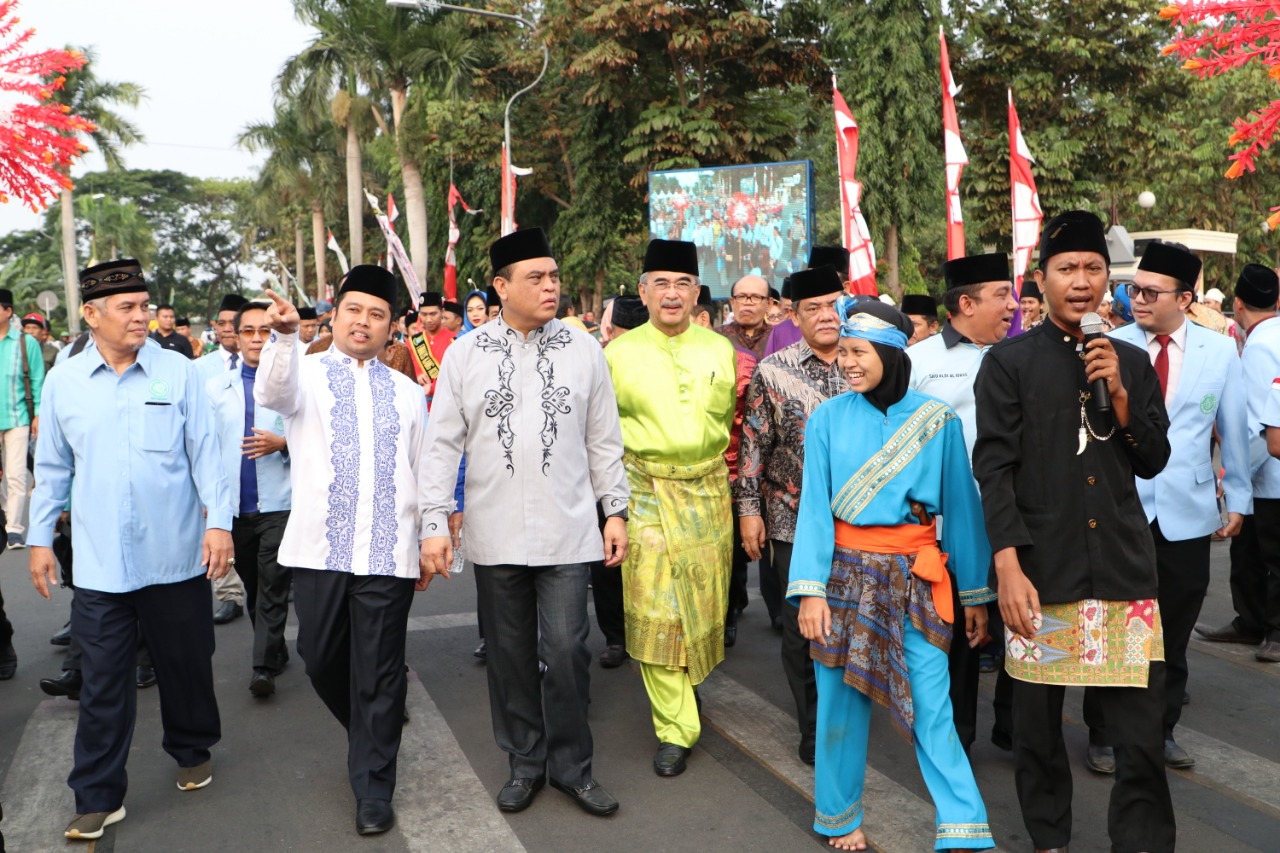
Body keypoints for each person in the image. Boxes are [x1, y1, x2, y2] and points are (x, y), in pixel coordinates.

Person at [973, 210, 1174, 853]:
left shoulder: (1131, 362)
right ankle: (1050, 841)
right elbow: (995, 471)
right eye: (1067, 269)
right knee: (1037, 734)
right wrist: (1006, 566)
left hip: (1121, 569)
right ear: (1043, 278)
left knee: (1140, 740)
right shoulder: (1007, 364)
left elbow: (1154, 458)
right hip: (1042, 573)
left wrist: (1118, 392)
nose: (1081, 281)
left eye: (1093, 268)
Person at [421, 227, 629, 818]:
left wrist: (615, 510)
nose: (550, 286)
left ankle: (572, 768)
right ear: (501, 285)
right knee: (510, 656)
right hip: (495, 534)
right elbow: (441, 446)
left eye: (554, 276)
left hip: (568, 531)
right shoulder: (464, 353)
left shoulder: (584, 348)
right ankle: (525, 763)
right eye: (535, 277)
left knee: (567, 650)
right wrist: (434, 522)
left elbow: (603, 439)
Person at [29, 258, 233, 842]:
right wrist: (40, 538)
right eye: (128, 307)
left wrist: (218, 523)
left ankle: (192, 746)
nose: (142, 316)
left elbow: (205, 452)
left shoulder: (178, 371)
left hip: (174, 556)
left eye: (145, 305)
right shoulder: (63, 381)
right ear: (92, 315)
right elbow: (53, 467)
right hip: (98, 565)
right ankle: (97, 794)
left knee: (186, 663)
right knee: (101, 680)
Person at [789, 295, 994, 852]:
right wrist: (810, 593)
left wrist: (975, 594)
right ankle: (838, 818)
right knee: (839, 704)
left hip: (918, 582)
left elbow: (963, 509)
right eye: (843, 352)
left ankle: (964, 827)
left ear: (890, 353)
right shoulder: (827, 418)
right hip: (843, 579)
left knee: (933, 705)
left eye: (858, 351)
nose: (846, 362)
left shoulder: (937, 420)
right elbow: (813, 510)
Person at [255, 265, 448, 836]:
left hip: (389, 552)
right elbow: (271, 392)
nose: (364, 323)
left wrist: (431, 534)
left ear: (392, 327)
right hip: (320, 550)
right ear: (335, 315)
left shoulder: (411, 394)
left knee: (382, 671)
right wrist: (287, 335)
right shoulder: (305, 374)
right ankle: (370, 731)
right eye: (354, 311)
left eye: (377, 315)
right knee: (319, 658)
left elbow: (426, 471)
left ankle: (372, 784)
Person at [1095, 241, 1249, 771]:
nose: (1135, 299)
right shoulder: (1106, 345)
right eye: (1132, 290)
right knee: (1113, 622)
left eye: (1149, 292)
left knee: (1175, 627)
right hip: (1119, 508)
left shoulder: (1219, 350)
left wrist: (1240, 499)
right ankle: (1103, 733)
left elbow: (1231, 426)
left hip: (1187, 509)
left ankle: (1161, 731)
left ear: (1185, 299)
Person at [605, 238, 736, 778]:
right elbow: (601, 436)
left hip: (709, 492)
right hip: (646, 491)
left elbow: (730, 423)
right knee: (657, 607)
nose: (672, 293)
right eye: (661, 283)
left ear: (697, 292)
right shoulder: (615, 354)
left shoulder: (719, 349)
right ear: (643, 292)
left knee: (701, 607)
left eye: (683, 283)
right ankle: (675, 728)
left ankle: (685, 690)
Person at [907, 252, 1019, 755]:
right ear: (967, 302)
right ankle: (956, 738)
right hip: (947, 525)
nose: (1013, 306)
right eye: (1002, 295)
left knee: (1021, 625)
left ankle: (1015, 728)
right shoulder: (919, 361)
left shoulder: (1020, 356)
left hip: (1015, 516)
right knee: (959, 636)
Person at [736, 264, 848, 766]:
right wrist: (749, 512)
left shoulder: (869, 360)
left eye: (833, 304)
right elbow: (754, 444)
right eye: (813, 308)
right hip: (791, 517)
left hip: (861, 519)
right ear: (794, 316)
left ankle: (851, 710)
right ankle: (813, 725)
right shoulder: (774, 369)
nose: (826, 316)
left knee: (851, 618)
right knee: (800, 625)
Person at [206, 301, 293, 698]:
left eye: (265, 331)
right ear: (235, 337)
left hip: (281, 503)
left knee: (274, 584)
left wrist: (283, 443)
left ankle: (262, 667)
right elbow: (205, 450)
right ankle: (273, 647)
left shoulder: (291, 386)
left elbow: (317, 436)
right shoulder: (215, 389)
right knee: (256, 588)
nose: (257, 339)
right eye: (249, 332)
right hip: (235, 508)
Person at [1197, 263, 1280, 663]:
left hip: (1266, 473)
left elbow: (1261, 426)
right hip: (1265, 471)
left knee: (1269, 555)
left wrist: (1234, 477)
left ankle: (1272, 630)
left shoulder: (1261, 346)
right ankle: (1250, 621)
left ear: (1238, 303)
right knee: (1246, 553)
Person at [196, 293, 251, 624]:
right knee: (219, 526)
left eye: (236, 323)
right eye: (224, 323)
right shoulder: (197, 369)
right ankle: (229, 594)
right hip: (213, 464)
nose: (229, 329)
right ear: (215, 326)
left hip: (256, 463)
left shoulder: (265, 366)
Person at [0, 288, 44, 549]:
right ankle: (4, 516)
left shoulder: (26, 343)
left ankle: (14, 528)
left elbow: (38, 380)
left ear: (8, 311)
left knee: (16, 475)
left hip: (18, 418)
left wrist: (38, 413)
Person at [717, 274, 773, 359]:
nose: (748, 302)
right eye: (741, 296)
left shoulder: (779, 337)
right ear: (732, 302)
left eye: (756, 297)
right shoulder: (717, 336)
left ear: (769, 304)